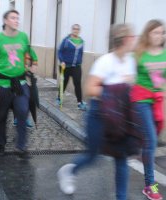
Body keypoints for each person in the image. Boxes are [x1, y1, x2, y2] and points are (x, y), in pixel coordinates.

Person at [57, 24, 140, 200]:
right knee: (92, 155)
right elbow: (89, 89)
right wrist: (115, 90)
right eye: (133, 36)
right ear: (124, 39)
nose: (135, 39)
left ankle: (121, 197)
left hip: (120, 116)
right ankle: (69, 171)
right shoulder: (105, 61)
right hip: (99, 115)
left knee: (121, 157)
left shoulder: (131, 61)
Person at [0, 9, 37, 156]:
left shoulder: (23, 37)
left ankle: (21, 146)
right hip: (2, 84)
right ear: (6, 21)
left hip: (20, 84)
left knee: (22, 111)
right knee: (1, 116)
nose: (16, 20)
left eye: (17, 18)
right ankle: (1, 145)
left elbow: (28, 54)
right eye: (13, 18)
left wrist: (31, 67)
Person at [131, 19, 164, 200]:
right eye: (156, 32)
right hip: (141, 100)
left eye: (162, 32)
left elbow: (163, 81)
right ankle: (151, 185)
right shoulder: (139, 54)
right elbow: (128, 75)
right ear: (148, 34)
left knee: (150, 141)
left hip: (158, 101)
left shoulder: (164, 54)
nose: (160, 36)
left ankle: (142, 150)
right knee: (151, 139)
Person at [57, 24, 86, 110]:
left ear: (79, 31)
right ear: (72, 30)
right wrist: (62, 61)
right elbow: (60, 51)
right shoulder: (66, 40)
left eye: (77, 29)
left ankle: (79, 102)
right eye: (74, 29)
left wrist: (80, 61)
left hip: (76, 67)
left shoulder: (82, 42)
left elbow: (81, 53)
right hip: (66, 66)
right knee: (64, 83)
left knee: (77, 84)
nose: (76, 30)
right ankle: (59, 98)